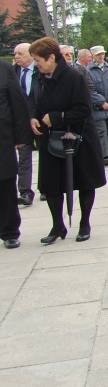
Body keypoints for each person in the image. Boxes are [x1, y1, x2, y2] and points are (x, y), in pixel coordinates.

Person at [28, 37, 107, 243]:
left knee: (84, 181)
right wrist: (35, 118)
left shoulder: (74, 77)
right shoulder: (42, 76)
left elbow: (83, 109)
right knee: (51, 183)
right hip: (52, 139)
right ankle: (57, 225)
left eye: (38, 60)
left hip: (78, 137)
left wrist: (56, 117)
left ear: (51, 58)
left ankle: (84, 223)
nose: (36, 64)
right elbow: (40, 102)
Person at [1, 57, 31, 248]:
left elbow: (17, 104)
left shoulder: (4, 68)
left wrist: (20, 137)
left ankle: (9, 231)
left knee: (5, 185)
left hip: (2, 139)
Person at [12, 43, 37, 207]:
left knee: (48, 156)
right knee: (24, 157)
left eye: (20, 53)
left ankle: (47, 188)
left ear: (31, 55)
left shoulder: (40, 70)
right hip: (21, 122)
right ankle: (25, 192)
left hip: (40, 120)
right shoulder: (12, 73)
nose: (16, 57)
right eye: (15, 54)